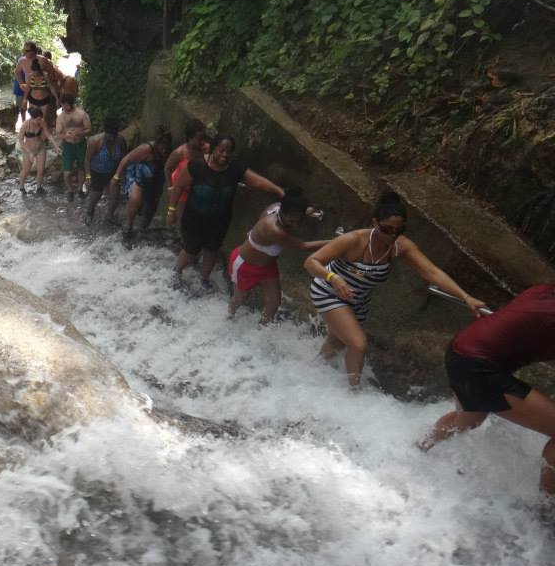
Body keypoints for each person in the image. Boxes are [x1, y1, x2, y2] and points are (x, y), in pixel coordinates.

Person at [305, 191, 485, 388]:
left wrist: (466, 297)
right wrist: (334, 278)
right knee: (358, 344)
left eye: (397, 231)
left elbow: (432, 272)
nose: (392, 235)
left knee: (337, 342)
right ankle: (352, 393)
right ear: (375, 222)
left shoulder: (401, 246)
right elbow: (311, 262)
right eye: (386, 229)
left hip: (358, 300)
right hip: (329, 291)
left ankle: (310, 371)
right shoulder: (354, 240)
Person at [418, 284, 555, 498]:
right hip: (478, 366)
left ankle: (418, 449)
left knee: (469, 421)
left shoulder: (544, 291)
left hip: (461, 351)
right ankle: (545, 512)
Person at [166, 136, 283, 292]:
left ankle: (204, 279)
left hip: (219, 219)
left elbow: (258, 181)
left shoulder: (235, 169)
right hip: (194, 216)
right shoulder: (197, 165)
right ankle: (176, 273)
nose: (224, 155)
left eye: (229, 152)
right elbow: (178, 187)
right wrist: (171, 210)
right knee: (191, 248)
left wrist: (279, 191)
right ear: (213, 148)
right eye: (221, 150)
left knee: (212, 249)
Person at [227, 187, 328, 325]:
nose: (295, 224)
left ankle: (262, 329)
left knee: (274, 302)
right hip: (246, 265)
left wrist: (308, 211)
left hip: (268, 266)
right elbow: (303, 246)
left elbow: (300, 211)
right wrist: (338, 242)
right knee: (239, 299)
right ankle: (228, 318)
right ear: (282, 212)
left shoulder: (277, 207)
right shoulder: (274, 229)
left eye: (299, 221)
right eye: (292, 221)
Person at [111, 127, 171, 242]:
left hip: (155, 179)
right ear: (157, 143)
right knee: (135, 199)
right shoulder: (146, 148)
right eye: (162, 146)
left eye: (166, 146)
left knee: (151, 206)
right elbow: (126, 160)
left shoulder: (170, 151)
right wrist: (116, 176)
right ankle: (128, 226)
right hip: (139, 175)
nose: (164, 149)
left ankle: (142, 230)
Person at [163, 119, 208, 229]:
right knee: (182, 221)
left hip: (197, 188)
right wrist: (170, 188)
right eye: (199, 139)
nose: (202, 141)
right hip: (181, 189)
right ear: (190, 137)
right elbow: (167, 168)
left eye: (203, 138)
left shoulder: (206, 149)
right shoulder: (180, 152)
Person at [83, 116, 126, 226]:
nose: (111, 138)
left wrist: (122, 175)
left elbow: (124, 159)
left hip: (113, 172)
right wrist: (88, 176)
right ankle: (90, 210)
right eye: (109, 135)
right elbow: (87, 160)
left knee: (115, 195)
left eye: (114, 135)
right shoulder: (96, 142)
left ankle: (109, 215)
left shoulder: (120, 141)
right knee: (96, 194)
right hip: (97, 172)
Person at [55, 93, 92, 202]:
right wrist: (67, 135)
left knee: (81, 169)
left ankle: (80, 189)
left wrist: (80, 132)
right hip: (68, 146)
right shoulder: (61, 117)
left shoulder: (81, 114)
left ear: (71, 103)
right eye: (63, 105)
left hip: (81, 144)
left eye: (67, 104)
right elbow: (58, 133)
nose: (65, 107)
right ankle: (70, 190)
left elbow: (89, 129)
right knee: (67, 172)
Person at [17, 106, 54, 196]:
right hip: (28, 150)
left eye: (40, 119)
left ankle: (39, 187)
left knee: (41, 170)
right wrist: (29, 152)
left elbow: (48, 134)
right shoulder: (25, 125)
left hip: (40, 148)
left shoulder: (41, 122)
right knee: (26, 170)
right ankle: (21, 186)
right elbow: (20, 140)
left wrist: (55, 145)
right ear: (32, 118)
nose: (39, 121)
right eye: (37, 120)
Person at [21, 57, 58, 126]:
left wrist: (56, 98)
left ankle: (44, 134)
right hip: (33, 100)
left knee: (44, 120)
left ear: (39, 70)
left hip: (44, 100)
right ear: (32, 70)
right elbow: (27, 89)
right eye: (33, 73)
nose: (35, 75)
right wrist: (24, 100)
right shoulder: (30, 76)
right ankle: (35, 134)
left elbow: (51, 87)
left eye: (37, 73)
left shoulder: (45, 75)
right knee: (34, 119)